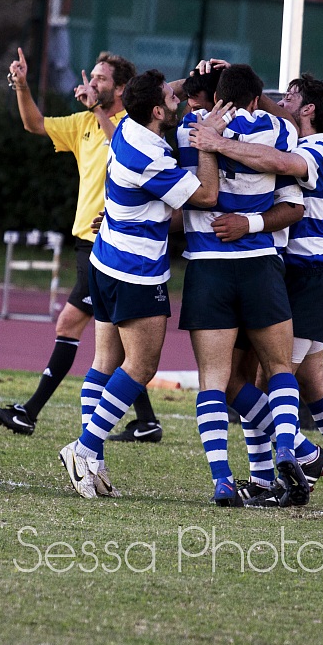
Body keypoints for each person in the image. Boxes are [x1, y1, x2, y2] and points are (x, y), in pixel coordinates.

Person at [191, 73, 323, 511]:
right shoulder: (292, 135)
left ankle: (274, 473)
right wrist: (226, 80)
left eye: (292, 97)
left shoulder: (315, 151)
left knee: (259, 379)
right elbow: (265, 115)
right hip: (290, 273)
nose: (282, 101)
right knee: (313, 380)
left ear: (310, 109)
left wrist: (215, 144)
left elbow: (280, 165)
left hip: (306, 275)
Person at [58, 70, 223, 499]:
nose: (178, 97)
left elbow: (164, 95)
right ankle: (85, 447)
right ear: (156, 110)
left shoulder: (130, 125)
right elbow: (205, 197)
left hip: (105, 258)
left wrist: (199, 76)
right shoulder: (150, 153)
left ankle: (91, 462)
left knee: (104, 363)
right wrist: (207, 141)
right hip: (135, 271)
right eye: (172, 96)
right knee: (142, 367)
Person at [0, 48, 164, 443]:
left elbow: (120, 145)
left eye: (102, 79)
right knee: (117, 342)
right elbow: (34, 124)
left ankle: (30, 412)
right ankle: (147, 421)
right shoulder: (83, 122)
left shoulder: (132, 125)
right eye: (93, 76)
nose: (92, 83)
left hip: (114, 245)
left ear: (121, 88)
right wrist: (23, 84)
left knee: (73, 325)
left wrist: (98, 110)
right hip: (88, 244)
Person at [176, 63, 312, 507]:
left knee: (214, 380)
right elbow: (286, 130)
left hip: (208, 265)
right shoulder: (279, 130)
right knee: (279, 369)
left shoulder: (188, 129)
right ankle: (289, 450)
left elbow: (172, 102)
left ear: (214, 96)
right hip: (259, 265)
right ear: (256, 98)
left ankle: (221, 478)